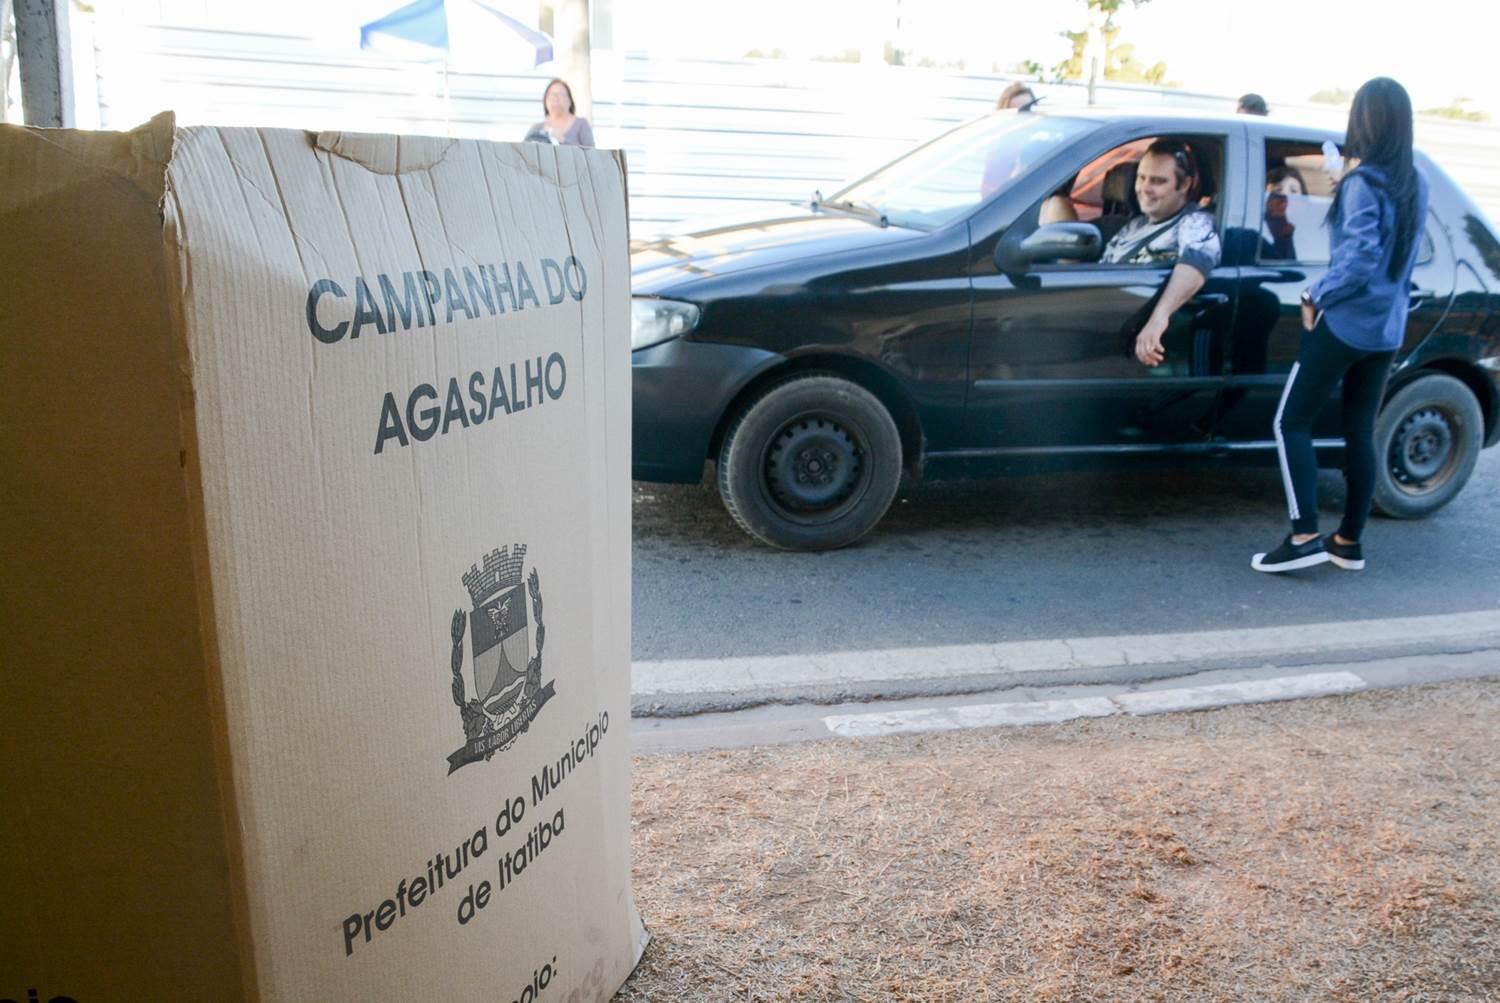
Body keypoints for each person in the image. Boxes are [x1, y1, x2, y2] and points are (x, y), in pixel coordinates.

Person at [1251, 78, 1429, 573]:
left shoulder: (1361, 184)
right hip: (1388, 328)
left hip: (1347, 324)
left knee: (1291, 421)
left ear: (1362, 121)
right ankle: (1347, 542)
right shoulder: (1416, 179)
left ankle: (1304, 533)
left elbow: (1358, 261)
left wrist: (1313, 296)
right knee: (1359, 430)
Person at [1103, 140, 1222, 368]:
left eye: (1158, 181)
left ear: (1185, 184)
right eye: (1141, 177)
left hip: (1155, 351)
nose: (1145, 188)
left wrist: (1160, 317)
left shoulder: (1194, 222)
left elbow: (1197, 261)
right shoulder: (1133, 226)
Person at [525, 78, 595, 147]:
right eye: (551, 94)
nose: (556, 98)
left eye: (561, 94)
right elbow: (522, 152)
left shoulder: (582, 125)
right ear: (545, 101)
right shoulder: (536, 128)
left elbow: (591, 154)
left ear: (570, 100)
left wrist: (563, 141)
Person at [1261, 165, 1306, 260]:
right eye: (1277, 190)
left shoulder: (1312, 243)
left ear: (1303, 203)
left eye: (1293, 191)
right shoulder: (1252, 240)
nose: (1284, 196)